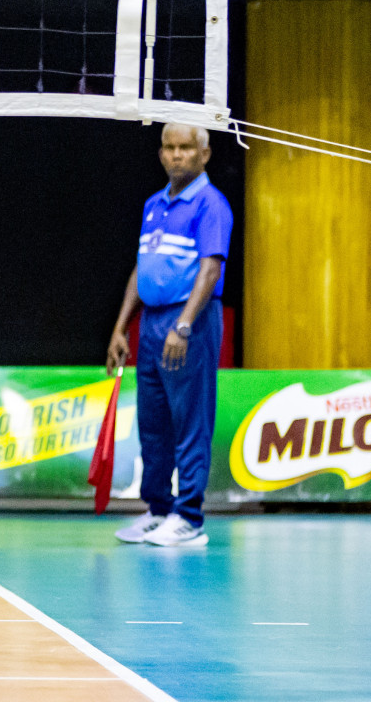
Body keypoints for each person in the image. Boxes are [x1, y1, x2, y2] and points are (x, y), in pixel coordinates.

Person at [106, 123, 233, 548]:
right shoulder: (153, 205)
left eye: (185, 148)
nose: (176, 155)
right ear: (160, 153)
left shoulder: (211, 204)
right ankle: (158, 509)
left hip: (188, 323)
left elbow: (210, 268)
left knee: (190, 420)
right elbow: (142, 268)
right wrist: (121, 327)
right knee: (154, 423)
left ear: (204, 153)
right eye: (169, 147)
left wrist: (184, 323)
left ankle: (190, 518)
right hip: (151, 322)